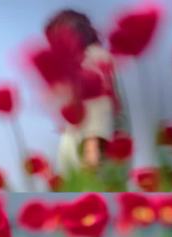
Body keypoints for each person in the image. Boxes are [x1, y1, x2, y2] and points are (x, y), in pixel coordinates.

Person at [45, 10, 121, 174]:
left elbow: (100, 105)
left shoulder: (94, 58)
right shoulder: (85, 59)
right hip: (82, 144)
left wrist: (92, 150)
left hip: (90, 153)